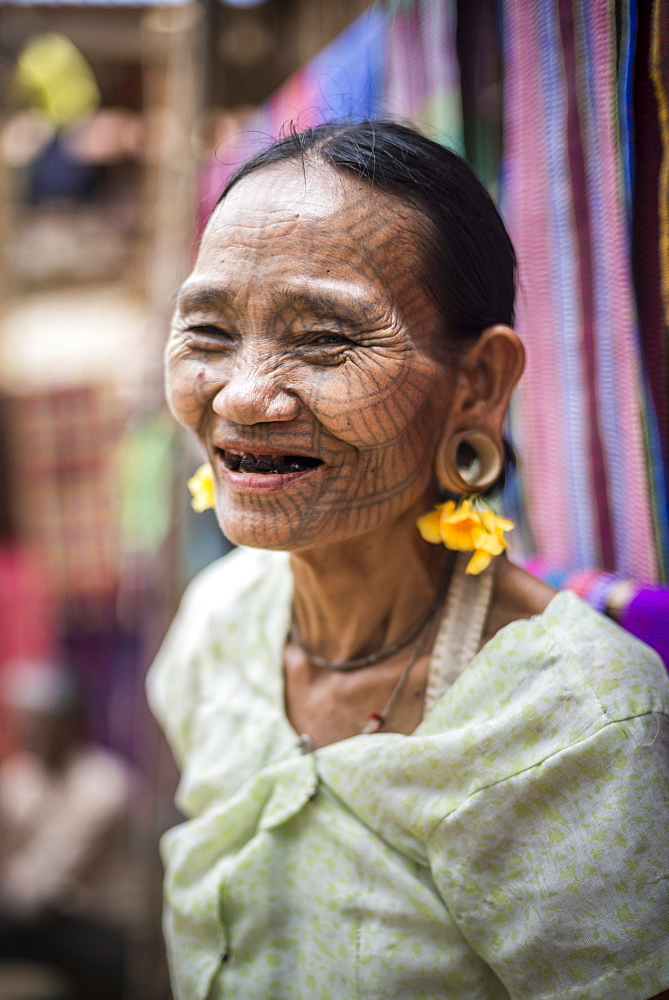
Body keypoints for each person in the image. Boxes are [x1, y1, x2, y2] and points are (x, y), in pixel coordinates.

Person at [148, 121, 669, 1000]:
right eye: (208, 330)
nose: (240, 395)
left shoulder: (572, 724)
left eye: (323, 339)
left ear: (477, 385)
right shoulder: (219, 625)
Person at [0, 661, 145, 999]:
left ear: (72, 726)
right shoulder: (20, 776)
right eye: (25, 723)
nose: (31, 734)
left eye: (42, 724)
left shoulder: (105, 787)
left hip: (96, 927)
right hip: (35, 918)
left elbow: (42, 890)